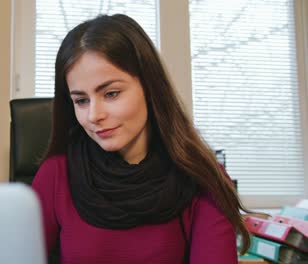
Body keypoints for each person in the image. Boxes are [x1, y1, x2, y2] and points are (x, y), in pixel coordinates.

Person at [32, 14, 250, 264]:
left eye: (111, 93)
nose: (94, 115)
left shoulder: (203, 179)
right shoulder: (56, 175)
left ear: (149, 86)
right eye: (81, 100)